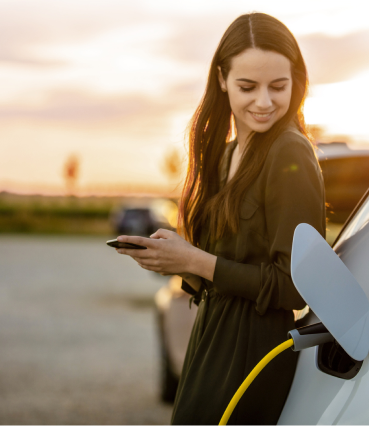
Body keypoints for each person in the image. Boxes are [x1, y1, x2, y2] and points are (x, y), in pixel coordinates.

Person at [115, 12, 325, 425]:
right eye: (248, 86)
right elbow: (220, 268)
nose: (264, 102)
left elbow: (294, 288)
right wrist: (175, 260)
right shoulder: (225, 155)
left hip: (254, 353)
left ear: (295, 83)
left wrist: (194, 261)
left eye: (278, 87)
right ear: (222, 79)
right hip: (210, 338)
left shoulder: (289, 152)